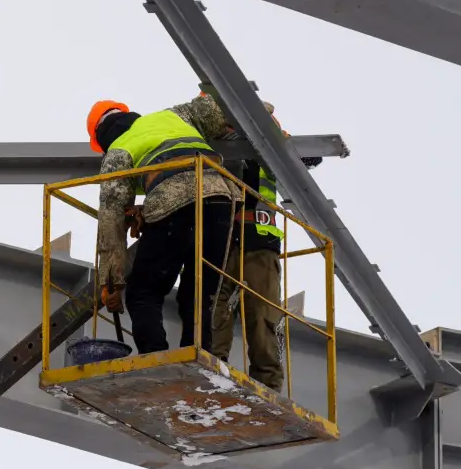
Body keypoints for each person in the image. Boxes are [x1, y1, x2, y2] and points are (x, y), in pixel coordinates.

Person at [89, 96, 237, 355]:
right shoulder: (173, 115)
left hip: (174, 205)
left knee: (143, 292)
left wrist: (112, 282)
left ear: (101, 138)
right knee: (199, 292)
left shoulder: (118, 150)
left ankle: (155, 357)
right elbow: (214, 108)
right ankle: (198, 355)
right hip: (221, 200)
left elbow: (111, 219)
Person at [210, 103, 322, 392]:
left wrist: (280, 141)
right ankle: (210, 366)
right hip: (224, 240)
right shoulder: (220, 146)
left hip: (260, 242)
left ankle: (268, 384)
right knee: (215, 306)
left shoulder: (269, 150)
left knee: (262, 316)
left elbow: (312, 155)